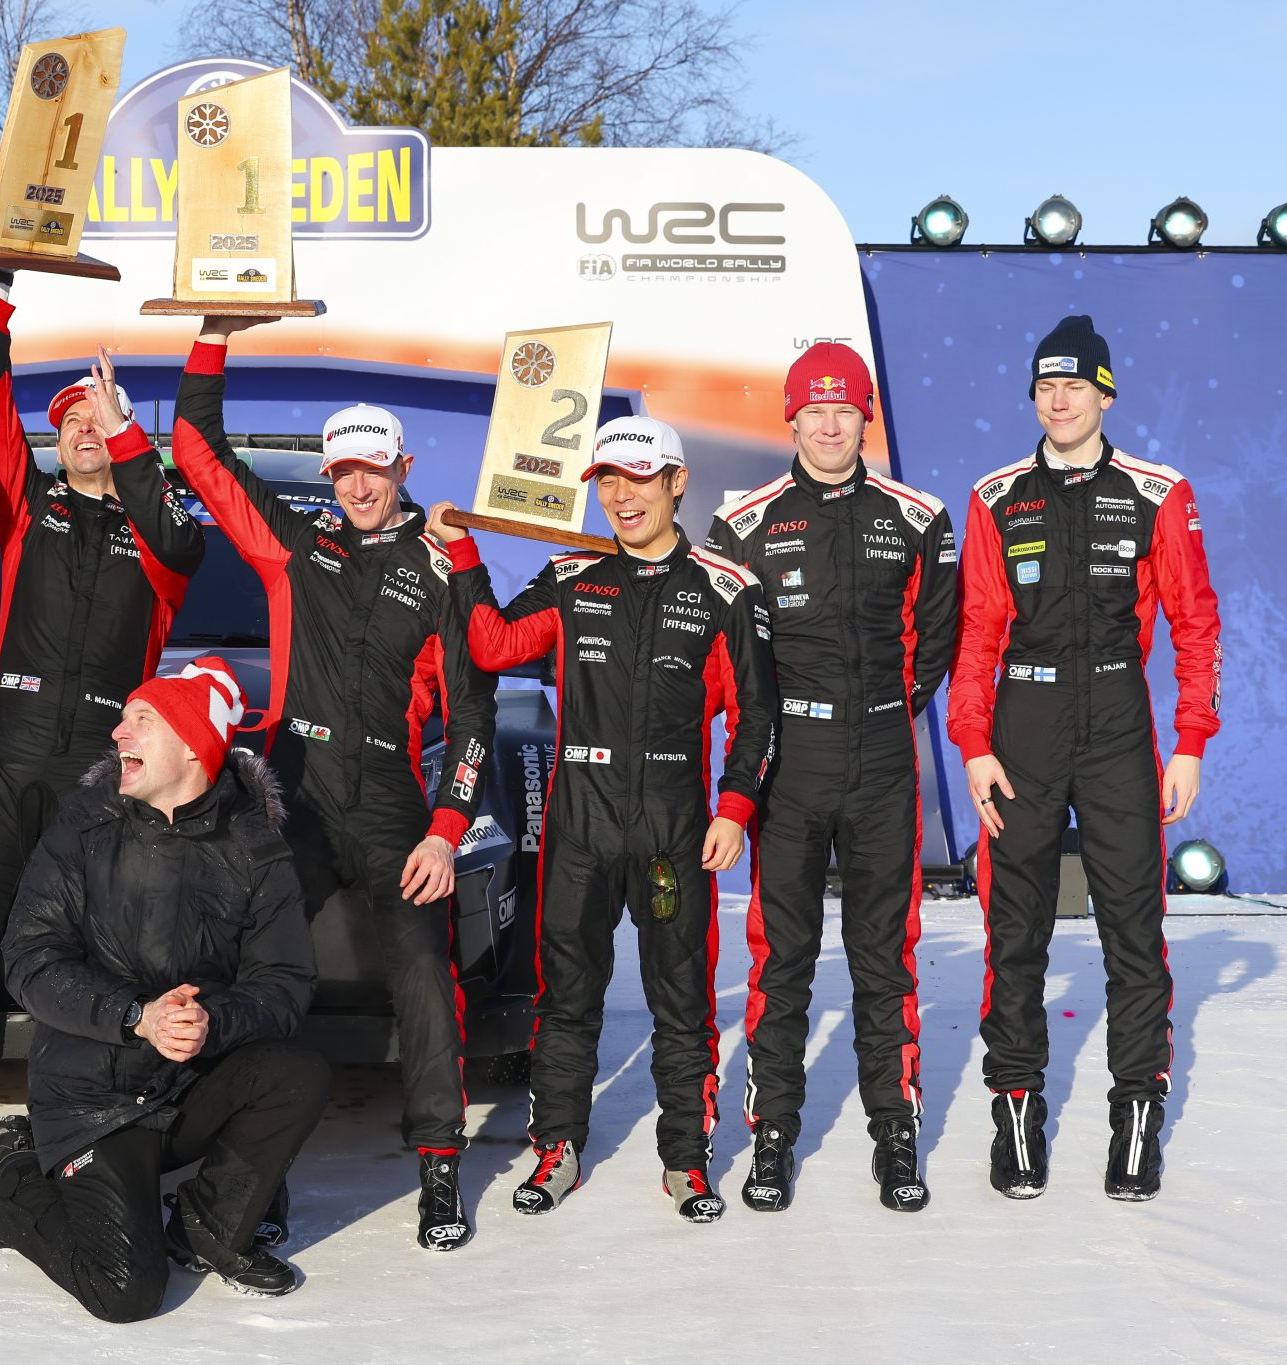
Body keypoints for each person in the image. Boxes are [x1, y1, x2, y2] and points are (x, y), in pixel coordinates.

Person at [169, 316, 496, 1251]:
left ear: (402, 466)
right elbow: (198, 450)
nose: (356, 485)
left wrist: (446, 829)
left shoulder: (442, 565)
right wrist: (213, 336)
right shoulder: (295, 546)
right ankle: (253, 1167)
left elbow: (474, 713)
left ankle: (439, 1166)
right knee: (258, 966)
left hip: (393, 804)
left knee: (425, 973)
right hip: (296, 794)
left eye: (373, 469)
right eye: (343, 470)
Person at [430, 415, 777, 1224]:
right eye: (609, 480)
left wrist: (734, 808)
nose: (623, 495)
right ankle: (557, 1147)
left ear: (676, 482)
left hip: (672, 832)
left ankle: (686, 1160)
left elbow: (758, 714)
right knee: (567, 999)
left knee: (681, 1001)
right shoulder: (571, 573)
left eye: (639, 478)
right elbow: (493, 645)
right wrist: (463, 553)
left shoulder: (727, 588)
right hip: (579, 829)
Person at [0, 270, 203, 1223]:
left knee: (88, 949)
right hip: (5, 752)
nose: (84, 430)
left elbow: (182, 543)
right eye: (71, 420)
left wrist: (130, 438)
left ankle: (75, 1133)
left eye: (99, 419)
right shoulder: (26, 504)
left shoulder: (158, 532)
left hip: (99, 762)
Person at [950, 315, 1220, 1203]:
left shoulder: (1157, 491)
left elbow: (1196, 621)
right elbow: (977, 630)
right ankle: (1016, 1113)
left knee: (1133, 933)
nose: (1059, 401)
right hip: (1021, 729)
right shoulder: (996, 495)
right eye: (1045, 386)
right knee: (1015, 931)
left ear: (1106, 394)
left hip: (1117, 726)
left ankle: (1136, 1118)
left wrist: (1190, 742)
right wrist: (973, 744)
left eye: (1075, 386)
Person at [0, 657, 326, 1321]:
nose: (118, 732)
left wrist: (210, 1021)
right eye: (124, 717)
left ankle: (206, 1229)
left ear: (192, 745)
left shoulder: (255, 847)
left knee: (298, 1073)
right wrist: (136, 1014)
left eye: (142, 719)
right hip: (93, 1098)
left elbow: (285, 984)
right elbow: (28, 959)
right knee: (125, 1293)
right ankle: (12, 1179)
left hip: (187, 1082)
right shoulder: (83, 827)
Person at [703, 343, 958, 1213]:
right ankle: (772, 1135)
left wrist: (879, 711)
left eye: (844, 410)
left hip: (882, 758)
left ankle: (896, 1130)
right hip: (791, 765)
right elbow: (732, 664)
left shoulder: (919, 518)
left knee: (885, 957)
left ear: (864, 418)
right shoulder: (743, 525)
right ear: (791, 417)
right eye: (813, 410)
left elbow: (936, 640)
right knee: (783, 959)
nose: (828, 426)